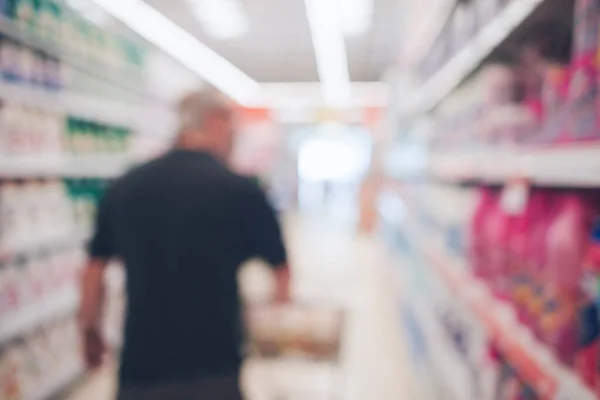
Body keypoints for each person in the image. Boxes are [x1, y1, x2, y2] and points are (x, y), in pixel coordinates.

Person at [78, 88, 291, 400]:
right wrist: (272, 333)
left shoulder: (126, 186)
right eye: (233, 128)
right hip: (215, 369)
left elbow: (94, 270)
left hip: (141, 368)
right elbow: (281, 271)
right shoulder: (241, 191)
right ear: (216, 122)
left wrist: (90, 333)